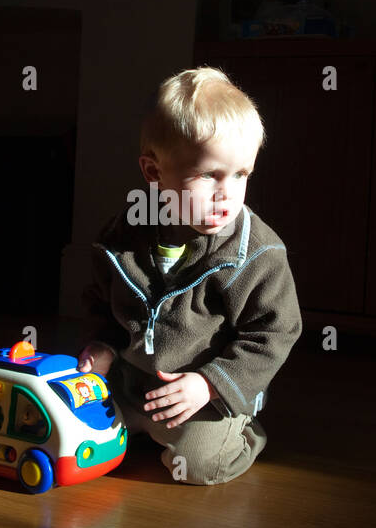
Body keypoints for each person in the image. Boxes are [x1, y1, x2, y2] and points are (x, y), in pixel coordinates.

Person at [78, 67, 302, 485]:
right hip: (132, 383)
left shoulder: (257, 253)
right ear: (153, 172)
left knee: (199, 467)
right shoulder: (120, 237)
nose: (227, 194)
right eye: (208, 175)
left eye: (241, 175)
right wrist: (102, 345)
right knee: (76, 429)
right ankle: (144, 429)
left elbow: (276, 332)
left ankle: (240, 430)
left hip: (203, 395)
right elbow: (100, 300)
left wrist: (211, 383)